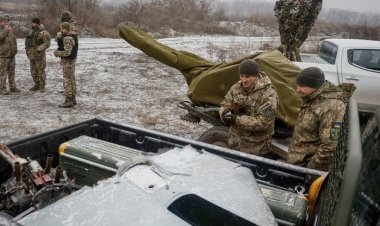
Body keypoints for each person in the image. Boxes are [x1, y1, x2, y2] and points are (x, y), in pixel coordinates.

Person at [287, 67, 355, 171]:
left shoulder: (332, 107)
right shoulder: (312, 97)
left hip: (307, 167)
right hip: (297, 161)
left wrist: (310, 170)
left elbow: (330, 146)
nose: (297, 89)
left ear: (315, 86)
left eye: (302, 86)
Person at [219, 59, 278, 156]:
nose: (244, 80)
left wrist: (236, 120)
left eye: (247, 77)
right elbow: (225, 104)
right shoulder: (236, 88)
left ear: (255, 76)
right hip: (235, 143)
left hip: (256, 149)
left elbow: (263, 122)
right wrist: (224, 113)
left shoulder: (269, 94)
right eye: (241, 76)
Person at [54, 22, 78, 108]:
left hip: (68, 63)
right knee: (71, 80)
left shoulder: (67, 38)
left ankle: (68, 100)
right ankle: (73, 98)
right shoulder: (72, 36)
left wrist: (57, 53)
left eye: (63, 29)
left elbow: (67, 52)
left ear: (67, 29)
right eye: (60, 28)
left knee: (67, 81)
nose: (61, 30)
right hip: (71, 63)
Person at [25, 18, 51, 92]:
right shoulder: (30, 32)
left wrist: (39, 49)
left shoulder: (44, 32)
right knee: (33, 71)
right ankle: (36, 85)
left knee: (41, 71)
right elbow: (27, 42)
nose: (31, 24)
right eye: (31, 23)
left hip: (39, 55)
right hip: (31, 55)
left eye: (33, 23)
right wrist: (27, 51)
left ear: (37, 24)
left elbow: (47, 43)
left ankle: (42, 86)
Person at [0, 15, 20, 95]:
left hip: (11, 55)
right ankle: (2, 88)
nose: (7, 23)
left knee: (12, 72)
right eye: (5, 22)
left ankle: (12, 87)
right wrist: (5, 31)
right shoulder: (3, 30)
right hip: (3, 55)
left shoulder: (9, 30)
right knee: (3, 73)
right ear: (0, 23)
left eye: (8, 22)